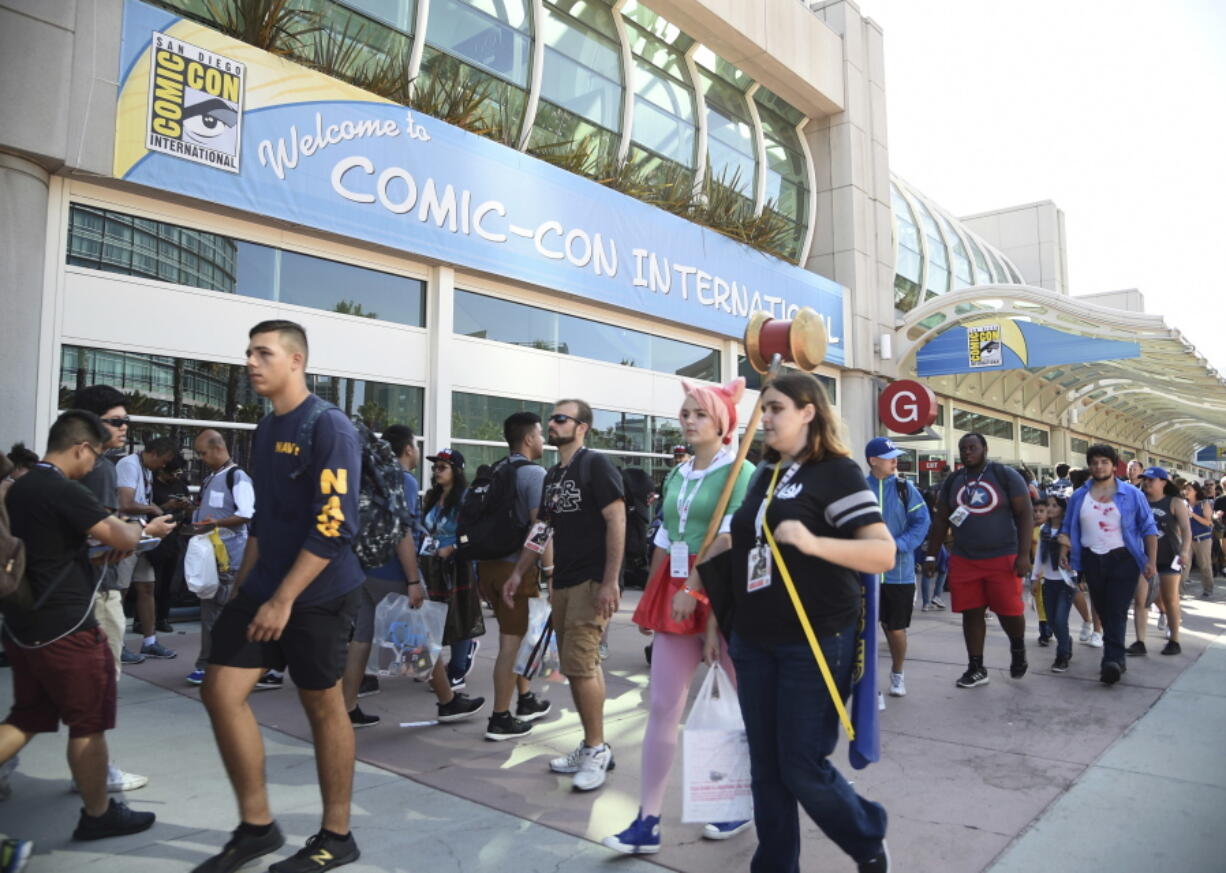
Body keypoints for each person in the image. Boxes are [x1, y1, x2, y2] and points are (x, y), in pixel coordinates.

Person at [196, 320, 366, 873]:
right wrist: (249, 588)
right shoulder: (266, 429)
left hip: (318, 593)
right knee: (221, 690)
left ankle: (336, 836)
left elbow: (333, 525)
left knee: (322, 705)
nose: (250, 362)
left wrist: (283, 598)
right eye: (248, 351)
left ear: (296, 361)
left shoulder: (329, 427)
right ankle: (257, 827)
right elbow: (266, 520)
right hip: (268, 585)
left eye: (262, 353)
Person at [721, 373, 893, 873]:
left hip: (814, 639)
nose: (765, 418)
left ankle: (866, 838)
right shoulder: (763, 473)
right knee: (766, 769)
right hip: (753, 638)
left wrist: (816, 543)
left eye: (775, 407)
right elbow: (754, 544)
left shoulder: (836, 472)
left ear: (808, 412)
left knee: (800, 765)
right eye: (762, 408)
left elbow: (881, 552)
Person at [1, 410, 175, 841]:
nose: (96, 463)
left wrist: (99, 549)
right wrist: (146, 527)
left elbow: (52, 549)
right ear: (79, 447)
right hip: (68, 627)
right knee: (88, 723)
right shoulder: (62, 489)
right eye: (96, 454)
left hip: (24, 624)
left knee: (27, 716)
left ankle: (98, 810)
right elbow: (124, 537)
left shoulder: (18, 488)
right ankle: (98, 815)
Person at [604, 378, 755, 854]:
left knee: (733, 709)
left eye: (698, 414)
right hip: (676, 592)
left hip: (725, 595)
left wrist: (697, 594)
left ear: (722, 423)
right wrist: (653, 595)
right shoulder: (679, 473)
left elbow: (729, 540)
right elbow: (668, 538)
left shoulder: (742, 471)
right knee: (663, 708)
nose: (688, 420)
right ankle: (647, 820)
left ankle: (734, 803)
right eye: (685, 412)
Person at [504, 399, 625, 791]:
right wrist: (519, 571)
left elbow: (616, 519)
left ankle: (595, 748)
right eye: (550, 419)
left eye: (560, 419)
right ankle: (593, 745)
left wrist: (610, 580)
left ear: (582, 427)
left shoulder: (596, 465)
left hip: (591, 580)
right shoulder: (553, 474)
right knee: (582, 664)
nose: (551, 425)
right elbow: (543, 529)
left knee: (579, 665)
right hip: (565, 584)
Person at [69, 384, 151, 792]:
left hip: (69, 597)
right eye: (117, 421)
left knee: (41, 705)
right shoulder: (100, 468)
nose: (124, 429)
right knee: (98, 692)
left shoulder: (63, 469)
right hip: (96, 594)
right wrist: (141, 533)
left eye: (126, 422)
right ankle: (98, 776)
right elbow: (99, 542)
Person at [926, 434, 1033, 688]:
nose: (967, 452)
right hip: (965, 558)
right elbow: (941, 520)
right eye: (963, 448)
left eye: (972, 447)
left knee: (1009, 610)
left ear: (985, 449)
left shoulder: (1005, 475)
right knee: (971, 612)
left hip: (1003, 555)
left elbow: (1025, 513)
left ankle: (1017, 648)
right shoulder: (954, 480)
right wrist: (931, 554)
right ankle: (976, 667)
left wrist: (1024, 554)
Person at [475, 413, 552, 742]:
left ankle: (526, 699)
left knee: (521, 637)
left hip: (488, 567)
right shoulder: (535, 474)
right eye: (540, 433)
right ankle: (500, 718)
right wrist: (548, 570)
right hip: (514, 569)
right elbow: (541, 527)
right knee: (511, 643)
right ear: (529, 438)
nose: (543, 440)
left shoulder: (497, 470)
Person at [339, 423, 422, 727]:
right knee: (421, 634)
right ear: (409, 448)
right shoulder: (405, 481)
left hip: (363, 568)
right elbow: (404, 533)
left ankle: (346, 707)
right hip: (393, 570)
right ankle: (448, 700)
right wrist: (413, 580)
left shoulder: (369, 478)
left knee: (361, 638)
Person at [1058, 444, 1158, 686]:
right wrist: (1064, 552)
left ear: (1114, 466)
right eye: (1094, 463)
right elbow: (1069, 527)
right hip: (1091, 558)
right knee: (1102, 608)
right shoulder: (1079, 495)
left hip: (1123, 558)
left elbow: (1148, 528)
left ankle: (1110, 660)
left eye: (1104, 462)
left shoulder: (1133, 495)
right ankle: (1118, 658)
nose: (1098, 466)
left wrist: (1151, 561)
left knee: (1116, 608)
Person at [419, 447, 486, 723]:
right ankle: (442, 667)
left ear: (456, 471)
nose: (437, 471)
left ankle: (457, 668)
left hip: (458, 566)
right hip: (432, 566)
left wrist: (454, 548)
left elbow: (475, 533)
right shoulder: (433, 497)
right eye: (435, 467)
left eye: (442, 467)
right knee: (435, 617)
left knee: (459, 616)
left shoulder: (467, 498)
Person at [186, 430, 255, 686]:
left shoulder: (237, 477)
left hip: (229, 558)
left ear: (217, 449)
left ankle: (210, 664)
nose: (202, 458)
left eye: (203, 453)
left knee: (216, 612)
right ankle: (215, 663)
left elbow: (247, 513)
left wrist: (216, 521)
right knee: (212, 611)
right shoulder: (213, 477)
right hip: (212, 556)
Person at [864, 438, 929, 699]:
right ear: (873, 461)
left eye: (895, 456)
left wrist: (897, 545)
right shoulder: (858, 488)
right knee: (865, 632)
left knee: (895, 629)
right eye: (889, 456)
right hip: (865, 574)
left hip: (898, 573)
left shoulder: (905, 488)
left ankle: (897, 673)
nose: (895, 460)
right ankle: (871, 687)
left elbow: (921, 522)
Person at [115, 436, 185, 659]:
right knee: (121, 590)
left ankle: (150, 640)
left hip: (144, 534)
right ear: (153, 453)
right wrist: (153, 510)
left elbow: (141, 501)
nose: (163, 466)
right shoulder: (128, 465)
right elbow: (125, 503)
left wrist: (157, 509)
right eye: (163, 461)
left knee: (147, 587)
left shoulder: (145, 469)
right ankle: (116, 644)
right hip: (128, 531)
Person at [1131, 468, 1189, 657]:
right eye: (1145, 479)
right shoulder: (1139, 500)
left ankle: (1174, 640)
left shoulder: (1174, 502)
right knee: (1141, 600)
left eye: (1151, 479)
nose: (1147, 482)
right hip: (1143, 558)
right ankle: (1140, 642)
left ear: (1163, 481)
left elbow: (1187, 531)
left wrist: (1185, 551)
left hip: (1169, 557)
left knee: (1170, 599)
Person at [1036, 497, 1075, 671]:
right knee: (1051, 621)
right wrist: (1035, 577)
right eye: (1048, 505)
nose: (1050, 509)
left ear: (1062, 509)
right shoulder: (1043, 529)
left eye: (1054, 505)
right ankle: (1066, 641)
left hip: (1066, 581)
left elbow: (1079, 551)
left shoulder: (1069, 530)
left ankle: (1062, 655)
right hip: (1048, 581)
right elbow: (1038, 555)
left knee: (1060, 619)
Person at [1185, 481, 1215, 597]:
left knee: (1204, 565)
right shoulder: (1184, 504)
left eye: (1189, 489)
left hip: (1203, 539)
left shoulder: (1204, 504)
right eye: (1185, 489)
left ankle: (1208, 589)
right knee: (1183, 565)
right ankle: (1178, 591)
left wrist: (1192, 515)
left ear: (1196, 491)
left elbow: (1208, 523)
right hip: (1188, 539)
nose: (1186, 491)